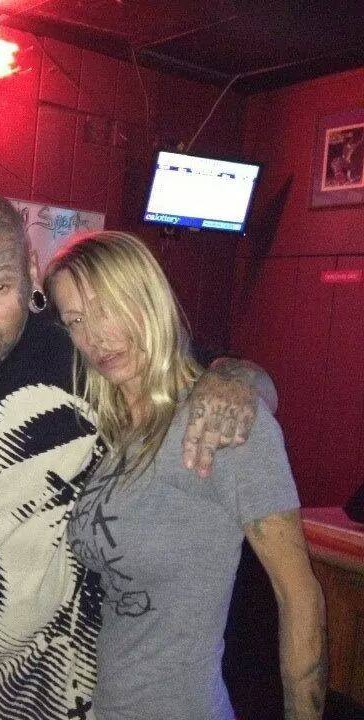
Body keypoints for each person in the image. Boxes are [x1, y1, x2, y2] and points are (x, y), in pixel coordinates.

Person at [0, 188, 270, 720]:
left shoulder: (85, 351)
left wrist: (232, 379)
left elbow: (224, 376)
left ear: (31, 273)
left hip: (86, 695)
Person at [44, 231, 327, 720]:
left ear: (148, 297)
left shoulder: (219, 422)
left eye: (106, 308)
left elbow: (298, 596)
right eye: (76, 321)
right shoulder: (115, 435)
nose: (95, 337)